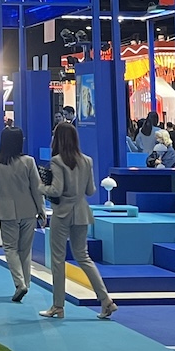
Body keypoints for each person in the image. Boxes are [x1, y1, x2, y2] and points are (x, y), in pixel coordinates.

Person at [39, 121, 116, 321]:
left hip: (62, 213)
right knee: (84, 257)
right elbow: (91, 190)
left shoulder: (56, 161)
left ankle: (58, 306)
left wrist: (40, 187)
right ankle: (105, 299)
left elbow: (56, 190)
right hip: (81, 212)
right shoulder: (87, 161)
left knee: (58, 259)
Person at [0, 126, 46, 302]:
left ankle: (20, 283)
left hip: (6, 212)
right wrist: (41, 210)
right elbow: (36, 188)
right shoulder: (29, 162)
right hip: (28, 210)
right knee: (25, 250)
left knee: (10, 249)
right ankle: (25, 283)